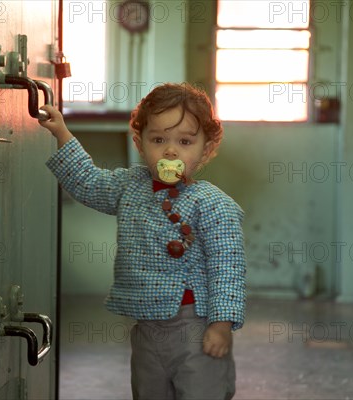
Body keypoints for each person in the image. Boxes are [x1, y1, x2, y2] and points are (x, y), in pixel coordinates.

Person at [40, 82, 246, 400]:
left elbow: (227, 266)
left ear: (205, 148)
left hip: (195, 327)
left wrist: (221, 324)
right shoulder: (129, 186)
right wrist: (62, 133)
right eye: (158, 139)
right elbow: (88, 182)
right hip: (146, 327)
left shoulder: (212, 203)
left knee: (201, 391)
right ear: (140, 143)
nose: (170, 150)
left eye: (185, 141)